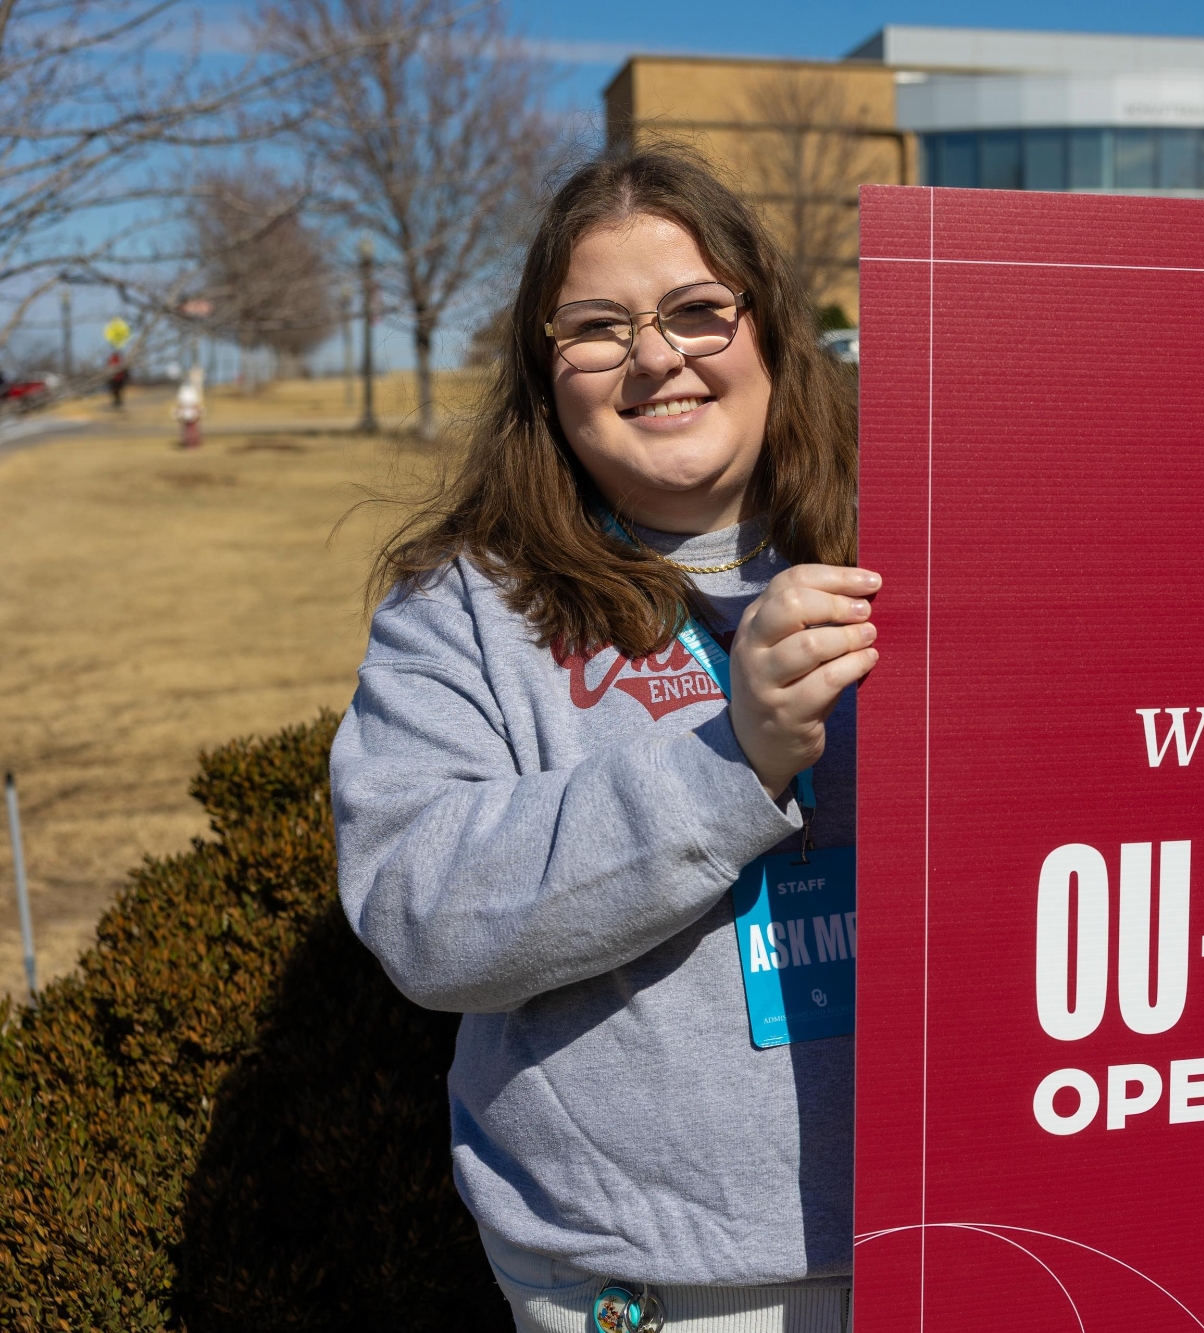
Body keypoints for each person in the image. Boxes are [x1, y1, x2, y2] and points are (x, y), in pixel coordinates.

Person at [330, 147, 875, 1333]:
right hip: (645, 1292)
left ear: (769, 328)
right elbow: (419, 910)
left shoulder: (927, 540)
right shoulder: (465, 607)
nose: (655, 358)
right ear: (544, 366)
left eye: (696, 310)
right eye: (596, 327)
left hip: (958, 1242)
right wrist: (727, 762)